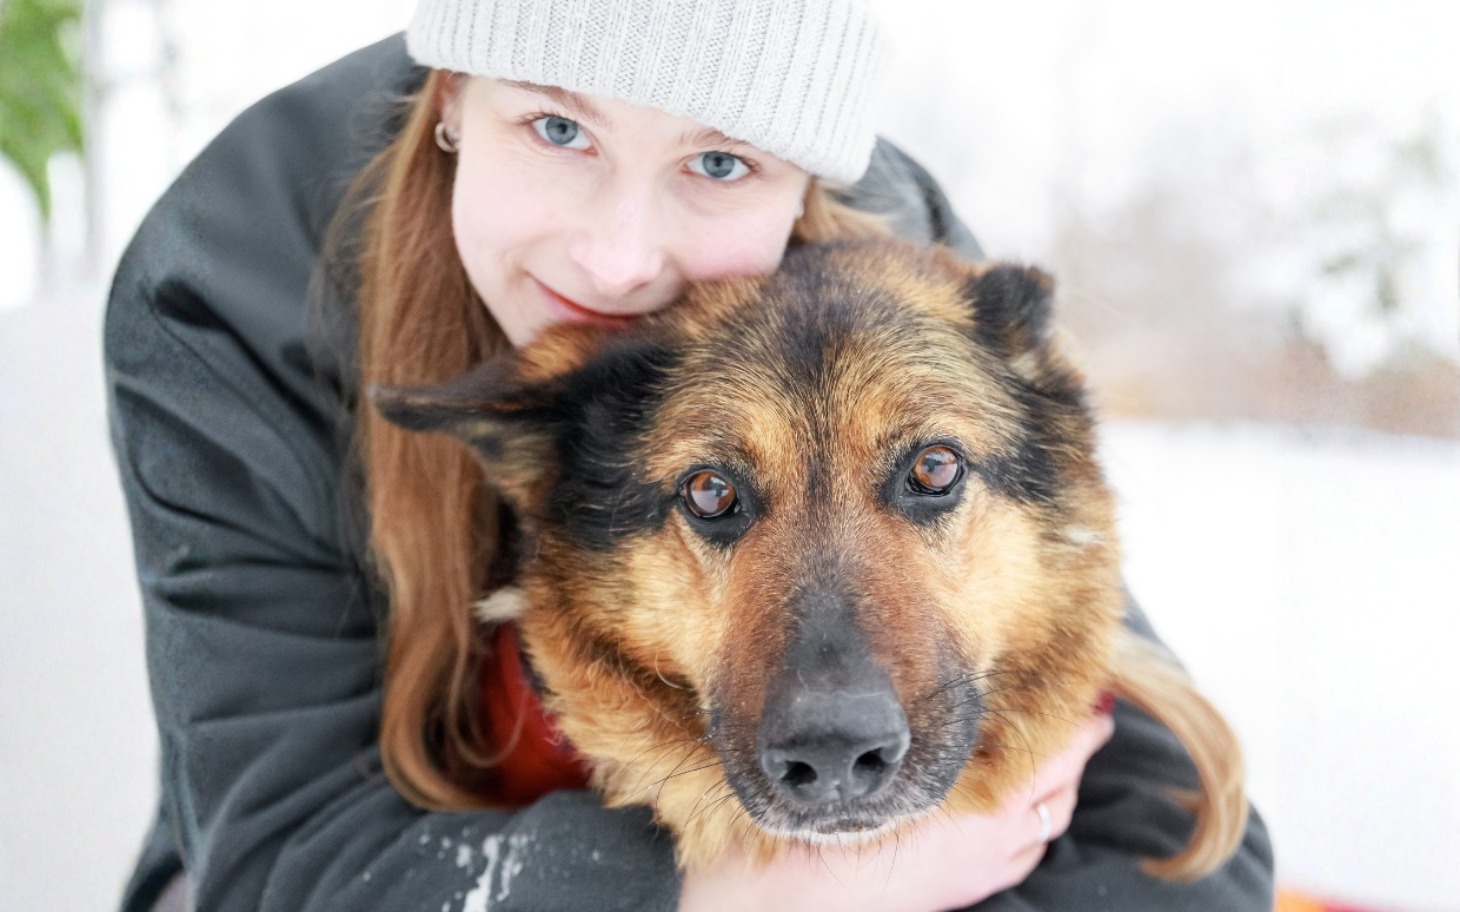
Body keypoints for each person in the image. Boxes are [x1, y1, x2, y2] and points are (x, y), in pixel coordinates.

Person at [104, 1, 1274, 910]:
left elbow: (1175, 833)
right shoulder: (225, 295)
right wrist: (764, 890)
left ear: (805, 181)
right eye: (557, 127)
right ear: (453, 91)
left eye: (720, 164)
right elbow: (282, 870)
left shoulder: (891, 275)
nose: (617, 259)